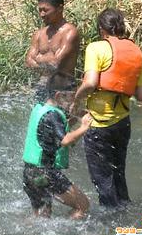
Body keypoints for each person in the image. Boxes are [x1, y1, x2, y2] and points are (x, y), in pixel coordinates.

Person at [70, 8, 142, 209]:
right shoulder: (136, 52)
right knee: (118, 174)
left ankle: (111, 227)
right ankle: (125, 215)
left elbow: (90, 83)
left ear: (101, 29)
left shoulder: (96, 48)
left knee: (103, 180)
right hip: (123, 123)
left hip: (99, 124)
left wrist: (76, 100)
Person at [22, 75, 92, 219]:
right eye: (71, 97)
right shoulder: (54, 115)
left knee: (41, 217)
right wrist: (84, 126)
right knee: (83, 206)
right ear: (59, 95)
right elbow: (65, 140)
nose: (73, 102)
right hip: (46, 173)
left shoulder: (40, 108)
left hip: (30, 173)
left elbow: (52, 130)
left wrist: (74, 118)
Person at [26, 0, 81, 101]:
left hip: (64, 90)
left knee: (63, 118)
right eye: (40, 10)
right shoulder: (39, 34)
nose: (42, 14)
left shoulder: (70, 32)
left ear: (60, 8)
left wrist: (38, 58)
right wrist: (47, 61)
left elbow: (55, 63)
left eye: (45, 10)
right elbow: (28, 63)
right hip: (42, 88)